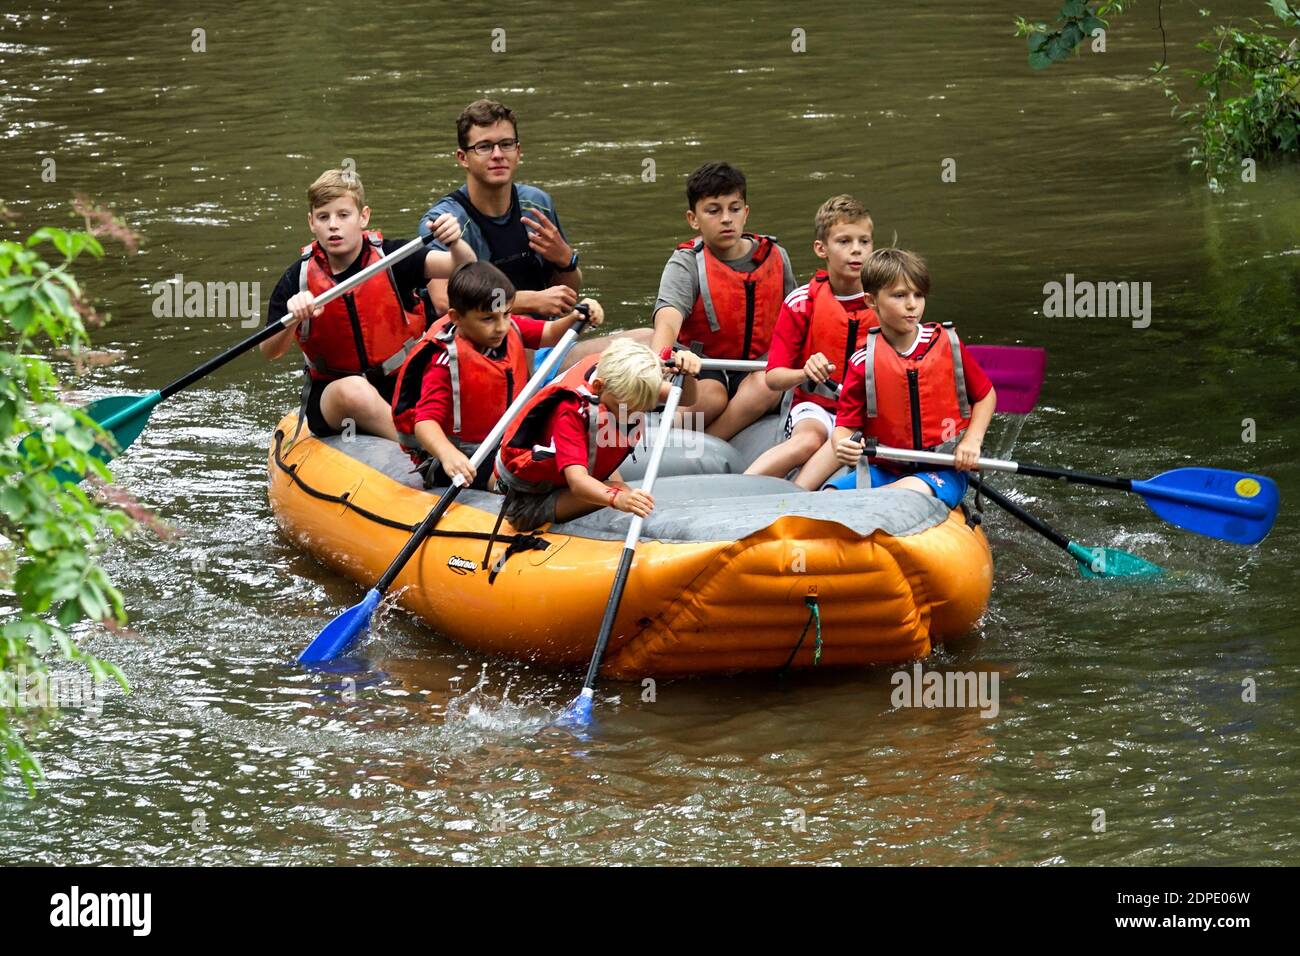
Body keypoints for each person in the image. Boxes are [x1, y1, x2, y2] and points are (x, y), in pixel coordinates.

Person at [417, 99, 647, 367]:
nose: (498, 154)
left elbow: (564, 295)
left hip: (542, 346)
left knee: (648, 341)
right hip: (479, 359)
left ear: (518, 151)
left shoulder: (537, 204)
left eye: (506, 144)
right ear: (462, 158)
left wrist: (566, 261)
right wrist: (531, 301)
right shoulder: (443, 221)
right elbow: (444, 303)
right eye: (484, 147)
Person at [261, 168, 475, 441]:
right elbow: (269, 351)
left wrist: (455, 242)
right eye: (323, 217)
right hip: (336, 398)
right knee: (355, 390)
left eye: (343, 215)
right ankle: (420, 447)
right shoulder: (297, 279)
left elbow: (466, 267)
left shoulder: (393, 257)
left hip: (401, 383)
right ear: (311, 223)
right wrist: (292, 318)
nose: (333, 225)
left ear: (364, 217)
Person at [390, 261, 604, 489]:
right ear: (456, 318)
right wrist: (448, 455)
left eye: (506, 314)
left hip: (505, 441)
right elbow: (425, 422)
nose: (501, 327)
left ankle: (594, 485)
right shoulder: (445, 362)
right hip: (467, 457)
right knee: (516, 477)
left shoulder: (510, 328)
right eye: (488, 319)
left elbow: (550, 333)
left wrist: (576, 318)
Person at [824, 249, 996, 508]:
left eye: (918, 295)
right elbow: (845, 427)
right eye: (900, 295)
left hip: (943, 470)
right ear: (871, 301)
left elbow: (986, 396)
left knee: (900, 495)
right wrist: (841, 444)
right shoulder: (863, 361)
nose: (912, 304)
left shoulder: (948, 345)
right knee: (827, 499)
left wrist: (972, 440)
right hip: (884, 469)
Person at [650, 161, 796, 440]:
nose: (726, 219)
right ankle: (661, 436)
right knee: (712, 397)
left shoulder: (776, 255)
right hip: (701, 365)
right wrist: (664, 359)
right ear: (694, 219)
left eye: (734, 209)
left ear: (746, 213)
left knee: (767, 385)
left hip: (756, 366)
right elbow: (667, 322)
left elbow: (797, 320)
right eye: (714, 211)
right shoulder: (687, 262)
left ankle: (716, 443)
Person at [493, 339, 701, 531]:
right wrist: (616, 498)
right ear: (599, 387)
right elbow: (578, 482)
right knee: (620, 489)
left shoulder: (627, 384)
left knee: (620, 488)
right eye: (626, 408)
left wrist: (688, 374)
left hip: (571, 475)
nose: (628, 416)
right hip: (528, 502)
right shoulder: (571, 411)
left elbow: (685, 398)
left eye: (640, 408)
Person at [745, 195, 877, 486]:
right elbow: (774, 378)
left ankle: (797, 497)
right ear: (821, 249)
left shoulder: (886, 302)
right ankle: (736, 488)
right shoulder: (801, 302)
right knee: (810, 440)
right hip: (813, 408)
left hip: (862, 416)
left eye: (864, 242)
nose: (856, 250)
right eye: (844, 241)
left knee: (846, 439)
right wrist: (805, 372)